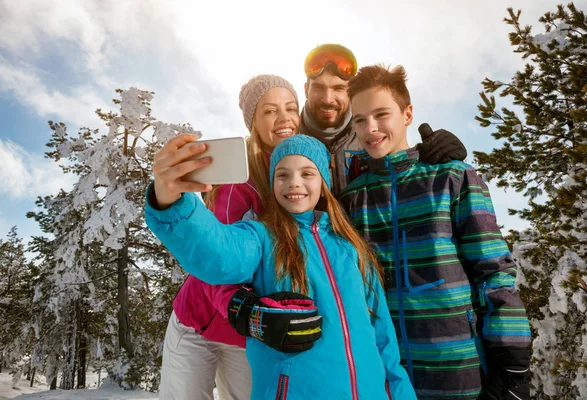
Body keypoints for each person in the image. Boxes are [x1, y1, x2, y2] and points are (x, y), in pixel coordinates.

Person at [146, 134, 418, 400]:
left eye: (307, 173)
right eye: (282, 175)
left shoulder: (352, 248)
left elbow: (383, 339)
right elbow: (218, 252)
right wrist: (172, 201)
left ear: (324, 182)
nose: (294, 183)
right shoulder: (261, 237)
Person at [338, 64, 532, 400]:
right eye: (359, 119)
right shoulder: (355, 197)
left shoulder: (453, 178)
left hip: (458, 370)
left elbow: (494, 271)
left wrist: (512, 364)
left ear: (407, 113)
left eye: (382, 114)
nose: (370, 129)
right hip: (387, 375)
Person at [157, 75, 321, 399]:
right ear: (254, 123)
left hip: (246, 337)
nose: (284, 117)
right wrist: (246, 310)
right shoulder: (238, 184)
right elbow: (217, 259)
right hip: (199, 323)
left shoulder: (306, 175)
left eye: (290, 108)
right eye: (270, 111)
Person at [299, 44, 466, 195]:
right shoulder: (289, 139)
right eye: (318, 88)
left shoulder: (372, 136)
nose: (328, 99)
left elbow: (401, 164)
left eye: (338, 88)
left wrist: (431, 154)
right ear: (306, 90)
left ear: (350, 93)